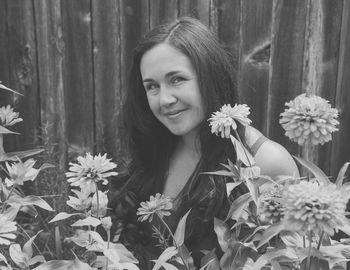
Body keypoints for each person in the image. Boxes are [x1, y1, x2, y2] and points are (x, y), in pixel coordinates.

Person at [109, 17, 299, 269]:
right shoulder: (156, 149)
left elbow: (291, 260)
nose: (164, 99)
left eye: (177, 79)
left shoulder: (266, 162)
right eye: (152, 86)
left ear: (211, 76)